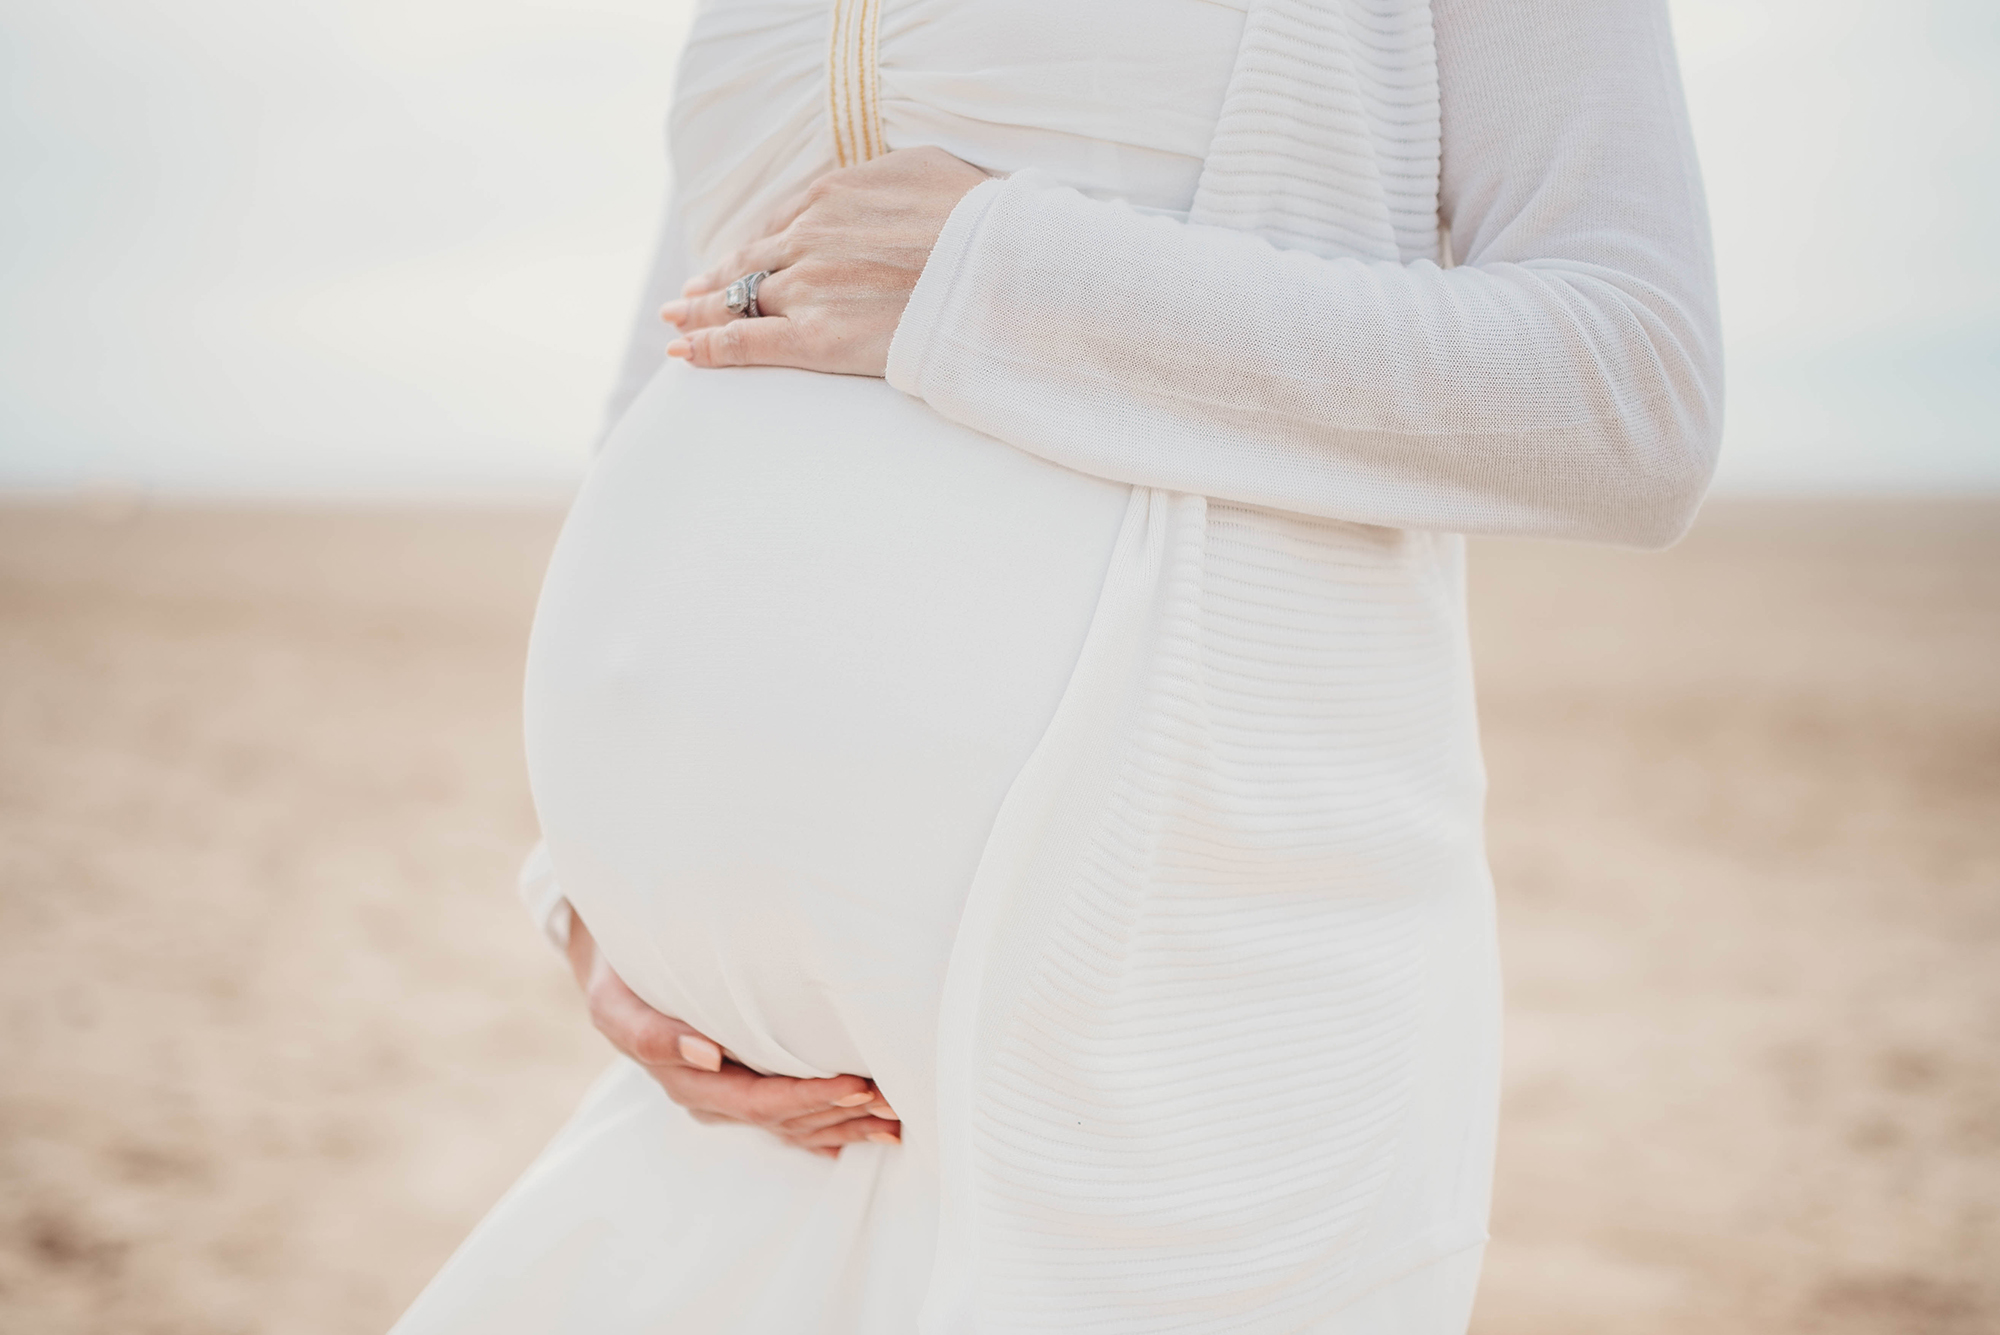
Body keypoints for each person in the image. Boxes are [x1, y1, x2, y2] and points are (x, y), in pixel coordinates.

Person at [390, 0, 1720, 1329]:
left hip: (1163, 1041)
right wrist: (596, 901)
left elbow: (1632, 389)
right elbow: (683, 364)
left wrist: (1001, 276)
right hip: (740, 1115)